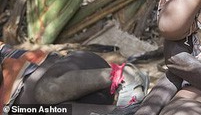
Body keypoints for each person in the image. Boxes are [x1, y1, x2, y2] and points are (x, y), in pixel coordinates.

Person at [1, 41, 148, 114]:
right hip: (81, 104)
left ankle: (123, 75)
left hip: (80, 75)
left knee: (45, 91)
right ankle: (127, 111)